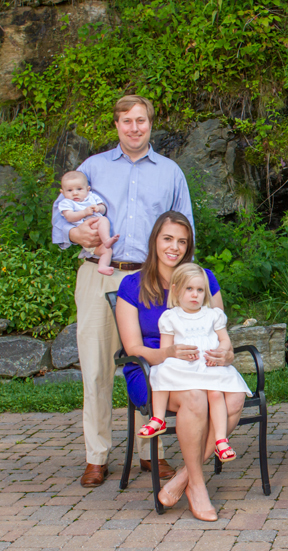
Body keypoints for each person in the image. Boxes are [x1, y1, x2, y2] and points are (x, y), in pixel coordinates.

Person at [51, 95, 192, 487]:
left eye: (141, 120)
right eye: (127, 121)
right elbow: (62, 211)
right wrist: (74, 231)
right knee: (96, 366)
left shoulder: (170, 172)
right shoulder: (93, 168)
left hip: (151, 278)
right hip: (98, 274)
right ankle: (96, 455)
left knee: (154, 362)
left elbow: (185, 228)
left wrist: (178, 282)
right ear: (116, 125)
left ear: (151, 124)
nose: (134, 127)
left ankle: (153, 452)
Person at [116, 212, 245, 522]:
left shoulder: (203, 278)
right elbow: (133, 349)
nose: (174, 247)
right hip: (153, 370)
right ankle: (198, 487)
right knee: (195, 397)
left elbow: (219, 334)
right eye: (167, 239)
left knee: (236, 396)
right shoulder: (132, 285)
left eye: (181, 241)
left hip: (201, 365)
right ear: (154, 241)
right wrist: (171, 351)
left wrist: (226, 354)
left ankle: (182, 478)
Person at [138, 263, 252, 466]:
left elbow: (224, 340)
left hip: (209, 364)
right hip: (184, 365)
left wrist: (222, 351)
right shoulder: (170, 317)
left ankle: (221, 440)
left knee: (216, 393)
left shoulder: (212, 315)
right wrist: (175, 355)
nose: (195, 295)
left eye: (200, 290)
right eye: (189, 289)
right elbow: (166, 350)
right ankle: (158, 418)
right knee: (161, 372)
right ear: (176, 290)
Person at [58, 171, 119, 275]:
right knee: (103, 220)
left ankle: (103, 266)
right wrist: (84, 212)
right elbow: (69, 217)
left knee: (106, 251)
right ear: (62, 192)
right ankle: (107, 240)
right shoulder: (66, 203)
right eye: (69, 190)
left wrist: (98, 208)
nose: (75, 193)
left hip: (98, 232)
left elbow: (104, 208)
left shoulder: (91, 197)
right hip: (87, 232)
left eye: (79, 189)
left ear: (88, 189)